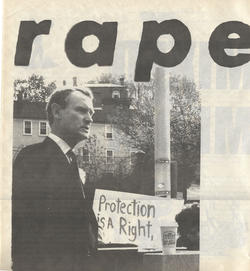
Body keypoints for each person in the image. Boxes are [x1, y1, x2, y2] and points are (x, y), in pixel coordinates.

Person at [12, 88, 98, 271]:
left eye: (91, 113)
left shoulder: (70, 160)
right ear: (57, 111)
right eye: (82, 110)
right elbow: (26, 231)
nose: (90, 119)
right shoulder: (33, 158)